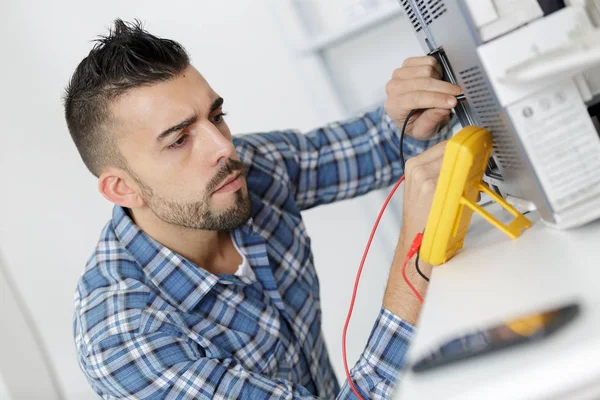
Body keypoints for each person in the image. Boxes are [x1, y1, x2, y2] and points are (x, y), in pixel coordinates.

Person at [67, 19, 461, 399]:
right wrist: (415, 256)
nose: (223, 147)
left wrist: (411, 116)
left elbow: (370, 146)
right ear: (122, 189)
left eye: (216, 117)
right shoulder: (125, 341)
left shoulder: (244, 170)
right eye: (178, 140)